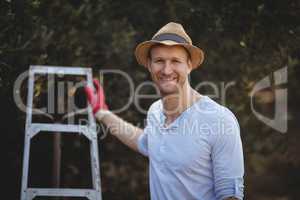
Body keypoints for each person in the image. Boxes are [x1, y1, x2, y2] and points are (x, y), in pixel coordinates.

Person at [84, 22, 244, 200]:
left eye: (175, 61)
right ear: (149, 65)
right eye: (159, 61)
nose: (167, 70)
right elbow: (144, 142)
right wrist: (101, 112)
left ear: (189, 65)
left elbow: (230, 195)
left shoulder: (219, 120)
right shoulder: (155, 112)